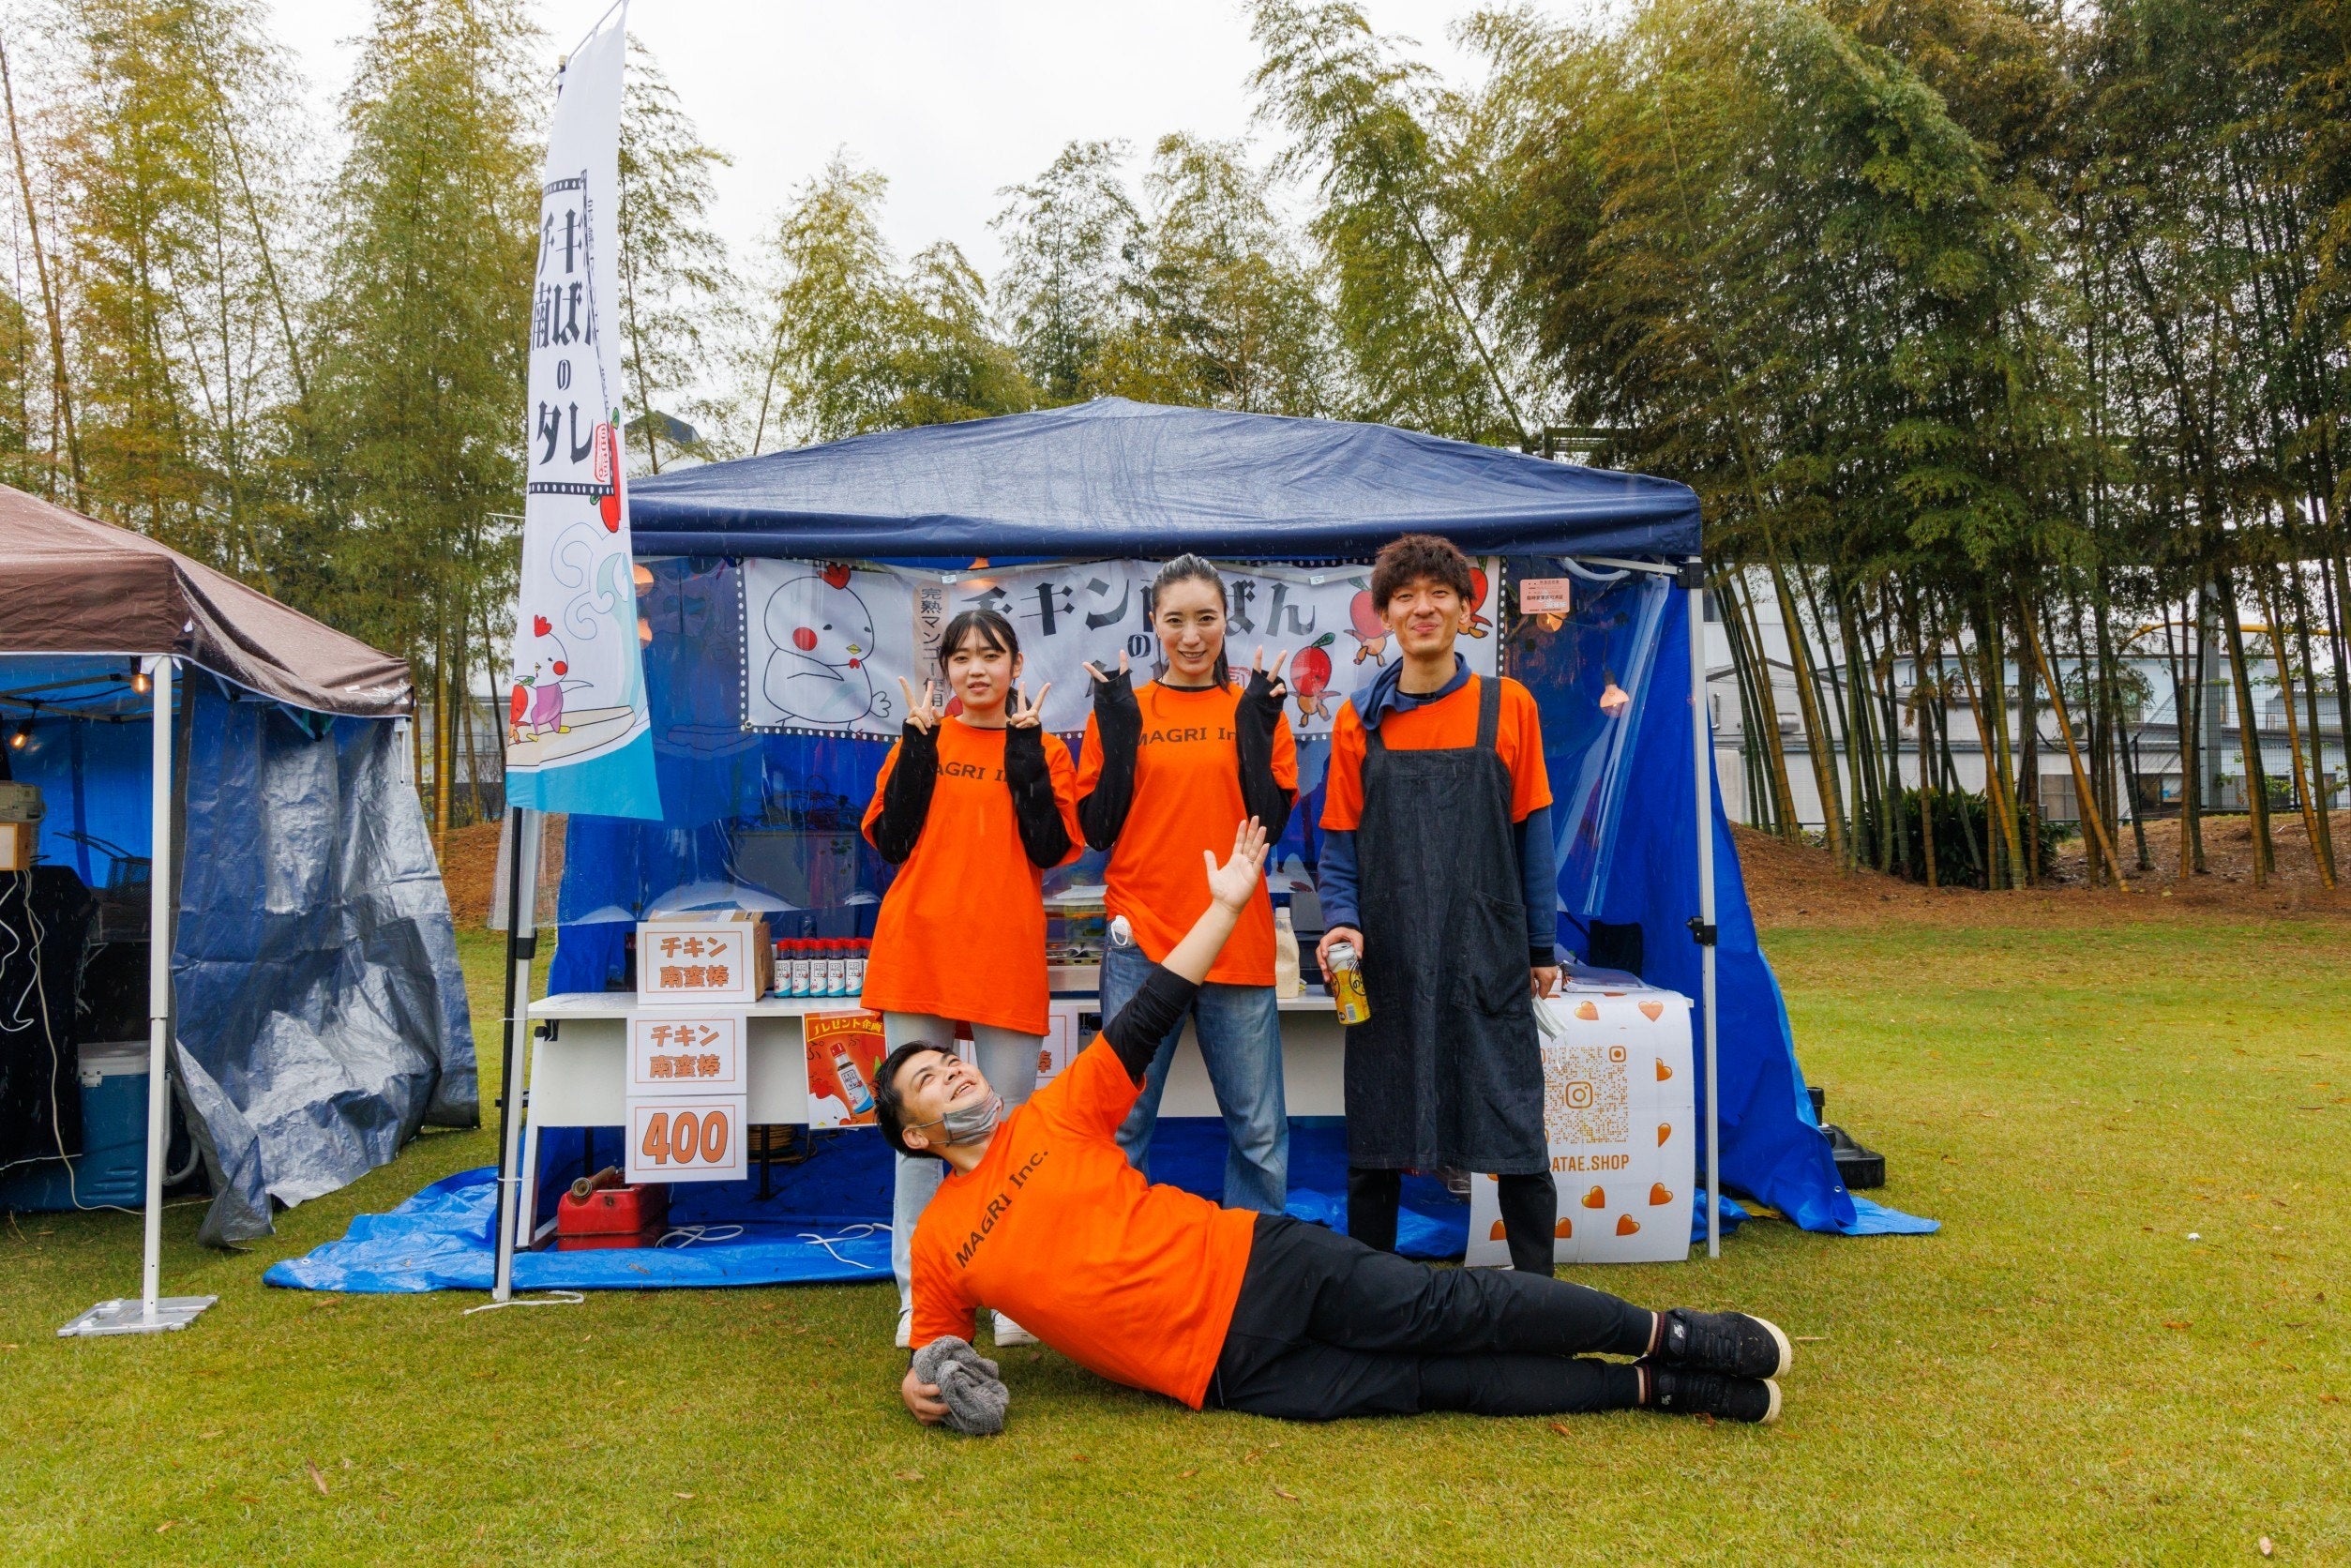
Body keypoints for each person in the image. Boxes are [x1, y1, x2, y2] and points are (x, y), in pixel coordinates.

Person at [879, 820, 1791, 1426]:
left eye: (950, 1059)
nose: (954, 1068)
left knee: (1447, 1310)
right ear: (915, 1133)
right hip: (1223, 1374)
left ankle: (1673, 1333)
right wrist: (926, 1390)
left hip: (1254, 1264)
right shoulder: (940, 1240)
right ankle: (1653, 1386)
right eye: (928, 1075)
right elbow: (936, 1351)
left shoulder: (1056, 1114)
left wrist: (1225, 906)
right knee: (1436, 1383)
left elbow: (1153, 1006)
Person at [1315, 534, 1562, 1275]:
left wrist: (1540, 948)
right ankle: (1372, 1294)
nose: (1421, 609)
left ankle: (1539, 1296)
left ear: (1464, 611)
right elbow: (1338, 842)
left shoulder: (1508, 706)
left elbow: (1533, 833)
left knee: (1513, 1128)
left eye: (1438, 594)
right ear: (1384, 615)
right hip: (1387, 959)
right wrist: (1341, 921)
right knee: (1377, 1132)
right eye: (1404, 598)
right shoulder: (1358, 719)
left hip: (1485, 954)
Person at [860, 607, 1081, 1349]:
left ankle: (1010, 1291)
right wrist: (916, 748)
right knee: (919, 1132)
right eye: (961, 657)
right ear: (945, 669)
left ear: (1016, 666)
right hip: (917, 948)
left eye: (991, 655)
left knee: (1007, 1127)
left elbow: (1049, 847)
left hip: (1003, 953)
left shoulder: (1043, 749)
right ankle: (918, 1294)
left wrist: (1025, 754)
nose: (976, 669)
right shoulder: (922, 739)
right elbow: (891, 841)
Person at [1076, 554, 1298, 1213]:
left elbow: (1272, 822)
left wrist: (1256, 725)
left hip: (1235, 937)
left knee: (1258, 1132)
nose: (1192, 636)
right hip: (1142, 939)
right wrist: (1118, 727)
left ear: (1228, 620)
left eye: (1206, 618)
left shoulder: (1255, 707)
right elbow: (1097, 829)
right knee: (1123, 1124)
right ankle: (1119, 1259)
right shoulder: (1126, 708)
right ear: (1154, 623)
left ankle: (1254, 1264)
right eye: (1176, 620)